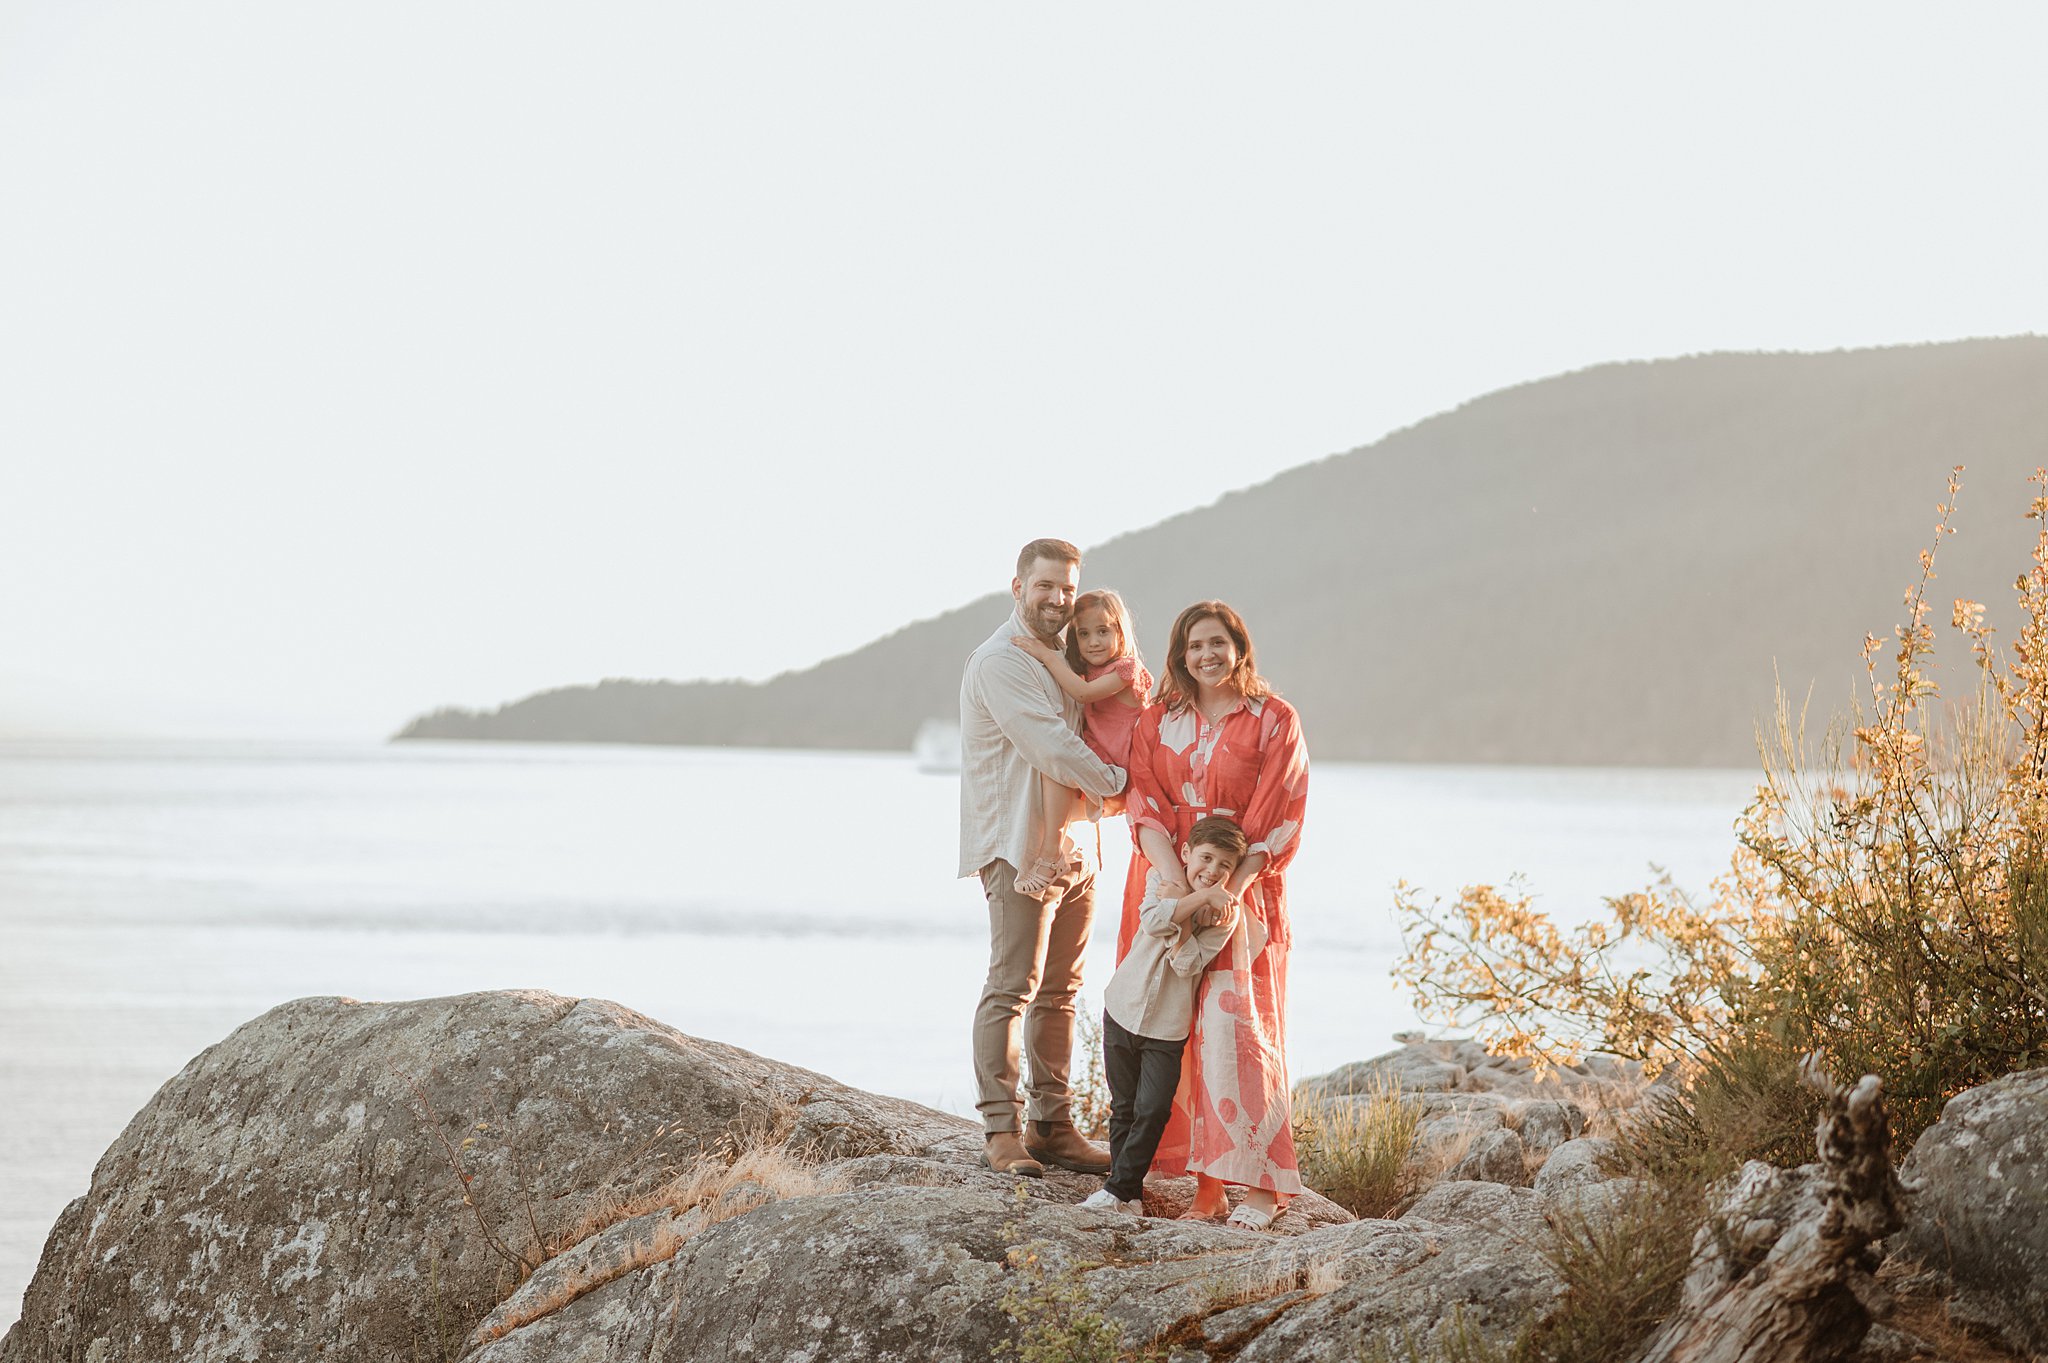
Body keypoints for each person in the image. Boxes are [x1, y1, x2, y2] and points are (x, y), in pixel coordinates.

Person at [1121, 600, 1309, 1230]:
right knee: (1172, 1031)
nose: (1206, 655)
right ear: (1179, 657)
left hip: (1245, 893)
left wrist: (1227, 886)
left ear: (1239, 648)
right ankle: (1206, 1189)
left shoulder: (1273, 720)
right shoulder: (1159, 719)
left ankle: (1262, 1184)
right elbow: (1142, 799)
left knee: (1239, 1034)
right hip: (1164, 885)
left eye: (1217, 643)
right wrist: (1174, 884)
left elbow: (1280, 812)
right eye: (1194, 646)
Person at [959, 539, 1129, 1177]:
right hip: (1019, 849)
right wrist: (1120, 783)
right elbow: (1052, 747)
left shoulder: (1072, 659)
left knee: (1062, 992)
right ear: (1018, 587)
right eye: (1045, 587)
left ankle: (1053, 1126)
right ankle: (1002, 1131)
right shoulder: (1001, 661)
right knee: (1012, 987)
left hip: (1081, 847)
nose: (1057, 599)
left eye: (1066, 587)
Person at [1081, 815, 1246, 1215]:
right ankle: (1129, 1194)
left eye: (1224, 866)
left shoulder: (1227, 915)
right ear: (1187, 853)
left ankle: (1118, 1190)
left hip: (1167, 1028)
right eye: (1206, 858)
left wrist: (1185, 913)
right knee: (1123, 1106)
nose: (1213, 871)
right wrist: (1199, 900)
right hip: (1122, 1007)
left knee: (1152, 1108)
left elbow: (1189, 964)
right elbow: (1153, 920)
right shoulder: (1160, 879)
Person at [1007, 588, 1153, 895]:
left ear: (1120, 632)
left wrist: (1046, 655)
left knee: (1058, 763)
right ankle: (1051, 850)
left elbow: (1082, 694)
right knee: (1051, 764)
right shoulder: (1088, 669)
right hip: (1097, 756)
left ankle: (1049, 857)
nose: (1093, 642)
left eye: (1103, 631)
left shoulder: (1126, 669)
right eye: (1084, 634)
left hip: (1119, 765)